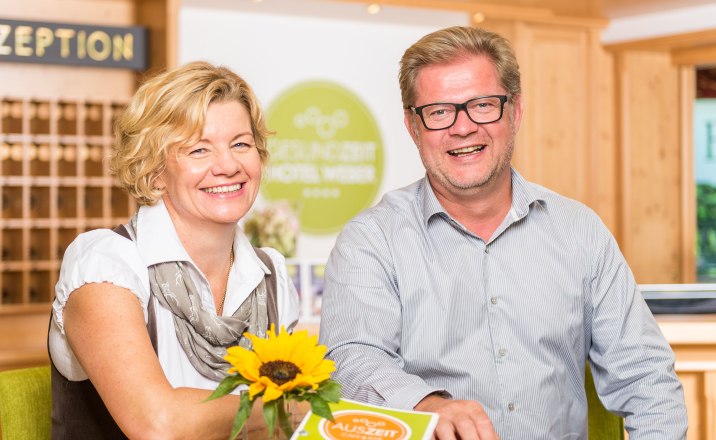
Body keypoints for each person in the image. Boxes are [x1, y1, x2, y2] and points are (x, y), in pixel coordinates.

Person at [319, 26, 687, 439]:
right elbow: (352, 358)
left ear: (515, 111)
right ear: (413, 126)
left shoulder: (580, 231)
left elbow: (646, 382)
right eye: (439, 111)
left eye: (482, 105)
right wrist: (427, 406)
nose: (462, 128)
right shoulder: (371, 240)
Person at [48, 61, 299, 439]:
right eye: (199, 149)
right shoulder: (105, 264)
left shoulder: (272, 274)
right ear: (154, 169)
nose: (228, 165)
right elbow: (156, 424)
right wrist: (283, 409)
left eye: (241, 144)